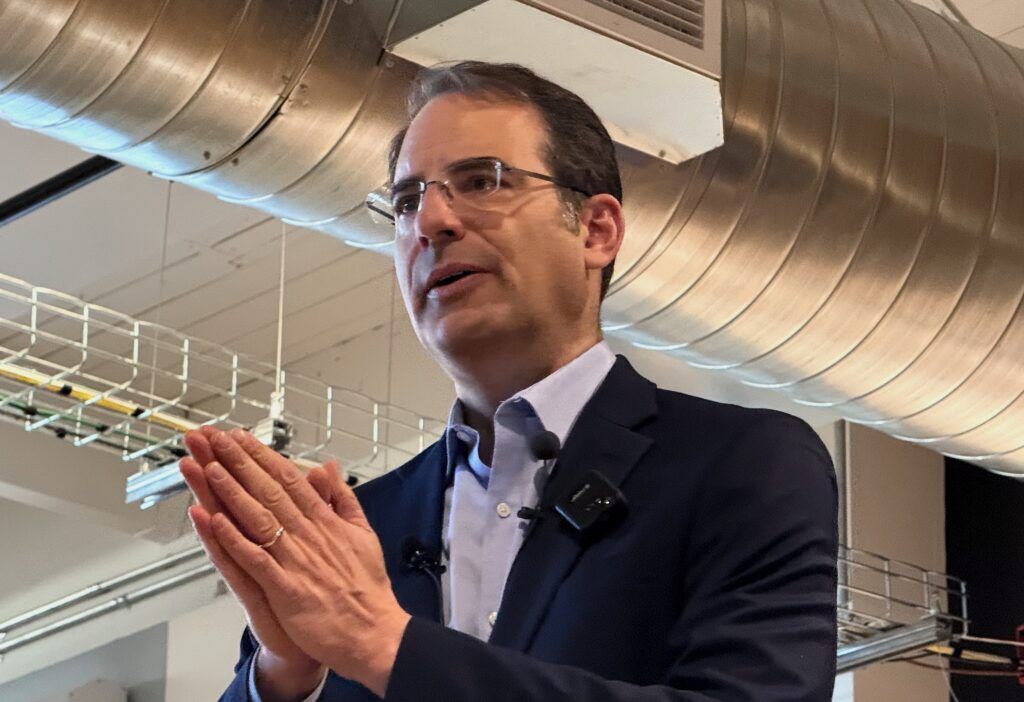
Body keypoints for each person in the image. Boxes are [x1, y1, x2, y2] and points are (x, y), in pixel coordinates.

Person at [181, 61, 839, 702]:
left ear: (596, 229)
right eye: (406, 201)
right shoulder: (363, 530)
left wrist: (386, 648)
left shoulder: (739, 462)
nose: (432, 222)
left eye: (482, 181)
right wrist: (286, 675)